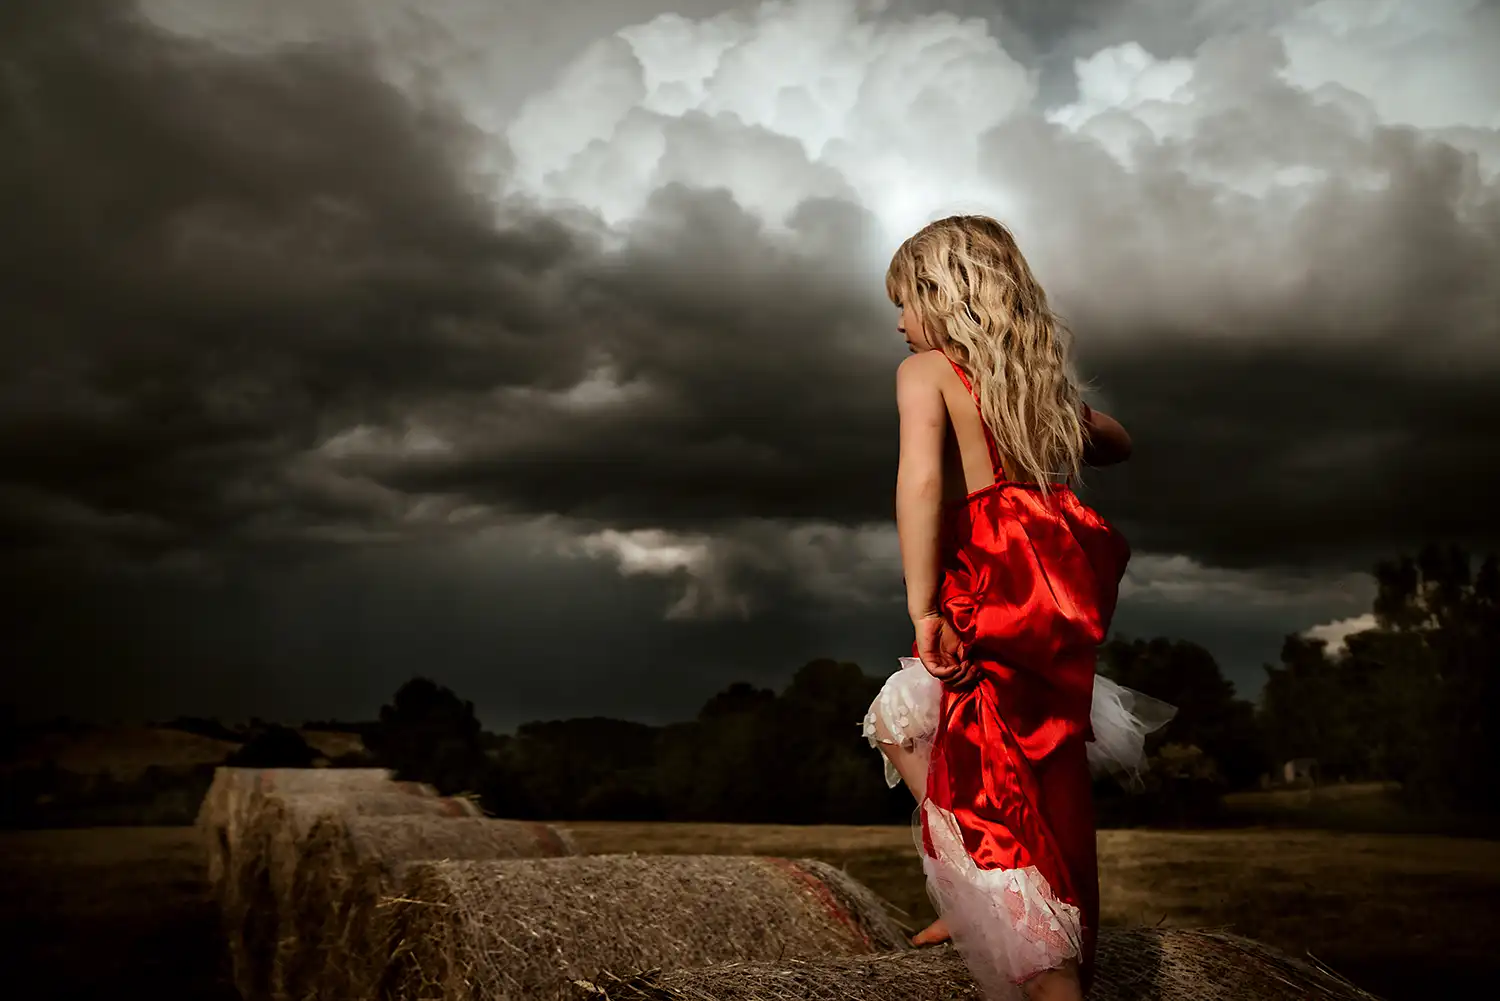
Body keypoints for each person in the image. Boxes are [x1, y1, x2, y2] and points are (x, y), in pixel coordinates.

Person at [860, 215, 1176, 1001]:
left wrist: (923, 602)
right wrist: (1059, 410)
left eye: (904, 302)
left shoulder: (927, 372)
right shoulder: (1028, 385)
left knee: (977, 755)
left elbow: (922, 484)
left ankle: (1038, 958)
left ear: (944, 296)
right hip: (1053, 569)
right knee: (1024, 750)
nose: (899, 322)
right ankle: (981, 907)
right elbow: (1119, 443)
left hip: (991, 567)